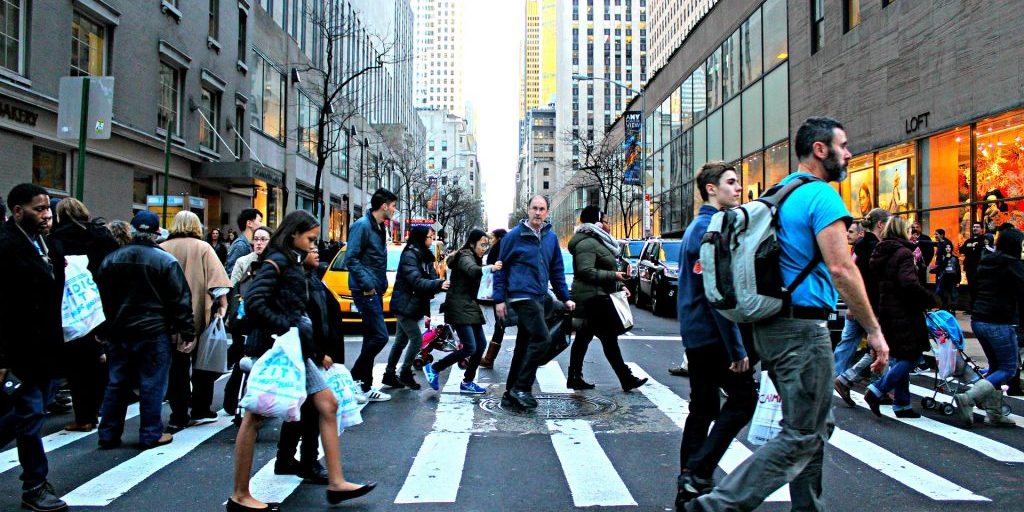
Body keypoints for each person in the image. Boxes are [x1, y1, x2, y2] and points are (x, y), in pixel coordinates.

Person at [687, 117, 889, 512]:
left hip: (771, 326)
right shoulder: (822, 196)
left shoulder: (779, 193)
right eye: (842, 146)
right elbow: (841, 268)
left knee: (814, 425)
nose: (848, 153)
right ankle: (715, 506)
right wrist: (874, 331)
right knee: (801, 434)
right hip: (802, 330)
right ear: (820, 149)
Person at [229, 210, 374, 511]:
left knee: (327, 404)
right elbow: (255, 302)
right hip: (276, 349)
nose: (313, 245)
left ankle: (336, 482)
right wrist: (286, 327)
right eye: (310, 238)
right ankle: (240, 496)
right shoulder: (277, 261)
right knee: (254, 416)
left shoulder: (290, 261)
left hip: (294, 349)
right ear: (294, 234)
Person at [674, 163, 756, 506]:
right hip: (711, 334)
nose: (738, 189)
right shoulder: (711, 227)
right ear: (711, 188)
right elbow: (717, 293)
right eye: (731, 183)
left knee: (704, 407)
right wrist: (737, 348)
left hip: (697, 332)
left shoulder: (699, 227)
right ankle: (698, 470)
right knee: (743, 400)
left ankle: (688, 485)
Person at [94, 210, 195, 452]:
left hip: (119, 330)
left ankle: (108, 434)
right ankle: (150, 433)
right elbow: (180, 300)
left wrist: (103, 328)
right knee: (152, 383)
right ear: (157, 233)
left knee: (116, 382)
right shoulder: (165, 261)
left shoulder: (111, 259)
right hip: (153, 331)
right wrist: (187, 332)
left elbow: (100, 297)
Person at [0, 184, 68, 512]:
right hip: (17, 350)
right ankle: (35, 485)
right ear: (17, 211)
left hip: (47, 349)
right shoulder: (5, 245)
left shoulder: (49, 245)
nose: (46, 214)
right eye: (38, 209)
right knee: (29, 415)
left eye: (48, 208)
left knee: (22, 414)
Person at [493, 195, 576, 409]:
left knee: (523, 346)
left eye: (542, 209)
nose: (538, 213)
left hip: (539, 297)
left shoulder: (550, 238)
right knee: (542, 339)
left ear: (547, 212)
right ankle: (522, 387)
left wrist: (565, 298)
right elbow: (500, 270)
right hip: (521, 297)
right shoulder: (513, 236)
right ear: (527, 210)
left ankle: (510, 394)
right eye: (534, 208)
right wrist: (499, 299)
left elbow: (556, 271)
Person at [274, 245, 347, 483]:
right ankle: (308, 462)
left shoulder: (315, 278)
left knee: (302, 408)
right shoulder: (297, 282)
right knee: (314, 410)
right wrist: (317, 354)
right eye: (311, 247)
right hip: (307, 353)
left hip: (316, 352)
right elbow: (300, 322)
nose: (316, 251)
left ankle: (285, 459)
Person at [49, 198, 119, 433]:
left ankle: (84, 415)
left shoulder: (55, 238)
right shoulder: (100, 235)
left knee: (76, 367)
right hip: (101, 305)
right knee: (99, 362)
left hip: (69, 308)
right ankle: (97, 409)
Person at [161, 211, 232, 430]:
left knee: (177, 369)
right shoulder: (204, 248)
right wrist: (222, 306)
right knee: (203, 366)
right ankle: (201, 407)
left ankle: (178, 413)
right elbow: (218, 283)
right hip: (199, 314)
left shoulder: (163, 248)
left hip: (170, 317)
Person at [862, 216, 939, 419]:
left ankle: (902, 403)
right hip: (904, 311)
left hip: (886, 308)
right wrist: (930, 298)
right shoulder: (904, 253)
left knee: (899, 356)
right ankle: (877, 390)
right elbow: (908, 283)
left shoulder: (880, 252)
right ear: (901, 231)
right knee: (912, 356)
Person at [566, 206, 646, 391]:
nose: (609, 224)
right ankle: (626, 378)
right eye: (607, 221)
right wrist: (615, 277)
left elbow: (604, 271)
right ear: (597, 223)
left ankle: (575, 377)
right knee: (608, 339)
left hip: (597, 296)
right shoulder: (587, 243)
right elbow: (586, 271)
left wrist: (619, 285)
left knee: (585, 338)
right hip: (593, 299)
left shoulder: (597, 241)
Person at [953, 228, 1024, 424]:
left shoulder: (987, 261)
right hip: (999, 321)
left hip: (979, 319)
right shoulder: (1014, 265)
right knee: (1008, 368)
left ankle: (995, 413)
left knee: (995, 367)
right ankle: (969, 398)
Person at [423, 229, 499, 394]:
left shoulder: (473, 257)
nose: (484, 248)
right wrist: (490, 268)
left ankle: (467, 382)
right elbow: (471, 270)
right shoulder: (465, 256)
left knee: (480, 345)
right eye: (482, 244)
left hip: (469, 306)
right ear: (472, 243)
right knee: (470, 347)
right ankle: (434, 368)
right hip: (459, 307)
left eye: (486, 245)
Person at [348, 188, 399, 400]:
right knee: (380, 336)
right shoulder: (362, 225)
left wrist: (381, 283)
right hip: (365, 289)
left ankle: (365, 386)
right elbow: (352, 258)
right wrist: (368, 284)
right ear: (384, 205)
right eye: (393, 205)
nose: (395, 209)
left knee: (370, 337)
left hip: (375, 288)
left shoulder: (379, 227)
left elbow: (376, 260)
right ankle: (351, 380)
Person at [383, 226, 448, 391]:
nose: (431, 240)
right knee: (416, 340)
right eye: (429, 237)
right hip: (405, 305)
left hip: (413, 305)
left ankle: (389, 374)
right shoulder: (410, 255)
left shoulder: (424, 256)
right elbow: (417, 282)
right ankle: (405, 372)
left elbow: (432, 277)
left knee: (400, 341)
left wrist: (440, 284)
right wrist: (439, 284)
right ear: (420, 238)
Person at [833, 208, 889, 386]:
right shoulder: (869, 247)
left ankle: (840, 375)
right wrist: (852, 303)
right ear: (880, 224)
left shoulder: (863, 246)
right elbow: (860, 277)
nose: (847, 235)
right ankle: (872, 383)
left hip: (861, 303)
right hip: (866, 305)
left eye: (850, 232)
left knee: (851, 341)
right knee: (875, 345)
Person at [222, 226, 272, 416]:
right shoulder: (244, 261)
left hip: (264, 321)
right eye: (256, 239)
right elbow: (233, 287)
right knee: (242, 359)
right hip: (244, 319)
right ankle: (232, 400)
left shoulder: (273, 262)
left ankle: (259, 401)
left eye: (263, 239)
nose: (258, 243)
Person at [480, 228, 508, 369]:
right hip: (509, 292)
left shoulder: (498, 250)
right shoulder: (506, 248)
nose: (490, 241)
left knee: (500, 326)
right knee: (501, 326)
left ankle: (489, 359)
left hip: (503, 292)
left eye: (492, 238)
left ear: (497, 238)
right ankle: (489, 359)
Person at [225, 208, 263, 275]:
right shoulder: (240, 245)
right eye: (260, 221)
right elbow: (231, 273)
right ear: (249, 223)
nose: (262, 225)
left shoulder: (250, 244)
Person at [959, 222, 987, 312]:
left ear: (982, 229)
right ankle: (972, 307)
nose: (975, 228)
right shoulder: (968, 241)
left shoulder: (984, 240)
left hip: (980, 269)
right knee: (971, 288)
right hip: (969, 268)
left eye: (977, 227)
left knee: (979, 288)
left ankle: (979, 308)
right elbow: (961, 250)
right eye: (974, 227)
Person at [935, 244, 961, 312]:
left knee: (954, 295)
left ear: (951, 248)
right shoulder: (942, 257)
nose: (948, 248)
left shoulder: (955, 258)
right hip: (944, 278)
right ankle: (945, 308)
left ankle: (953, 309)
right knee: (944, 294)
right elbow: (941, 267)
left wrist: (958, 281)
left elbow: (958, 270)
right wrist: (946, 258)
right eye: (946, 247)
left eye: (949, 247)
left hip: (953, 278)